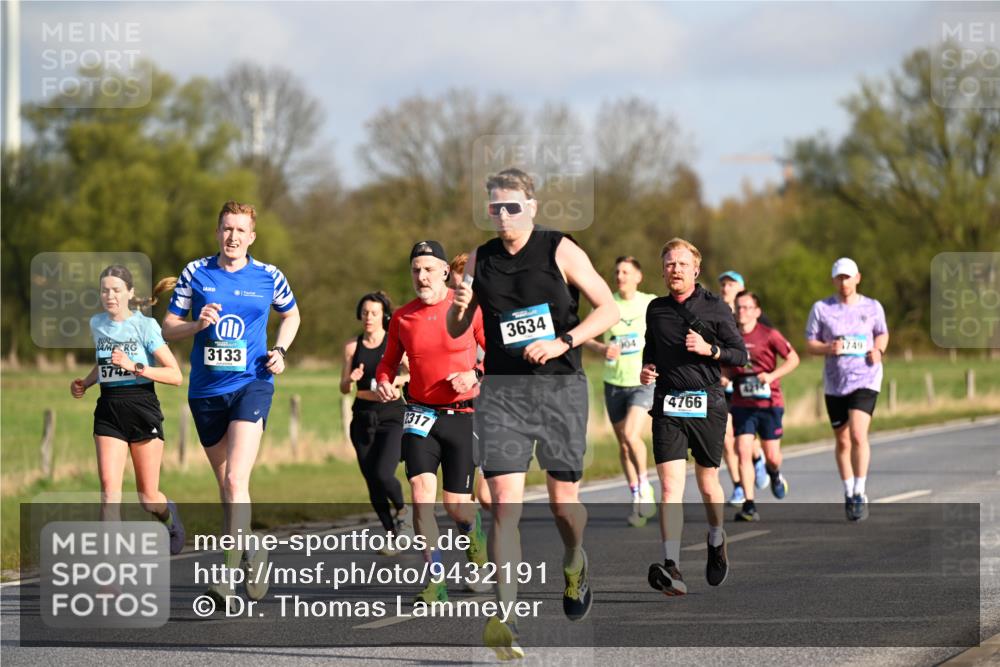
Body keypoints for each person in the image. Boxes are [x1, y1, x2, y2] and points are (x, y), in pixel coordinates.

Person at [448, 168, 618, 659]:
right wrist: (461, 304)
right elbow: (461, 329)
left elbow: (608, 309)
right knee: (503, 505)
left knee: (564, 505)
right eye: (496, 208)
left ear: (532, 206)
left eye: (512, 207)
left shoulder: (559, 249)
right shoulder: (480, 259)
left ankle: (573, 559)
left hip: (560, 390)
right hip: (503, 394)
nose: (503, 216)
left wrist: (563, 340)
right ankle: (505, 617)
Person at [162, 200, 301, 611]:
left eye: (240, 230)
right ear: (218, 231)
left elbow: (292, 316)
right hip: (206, 392)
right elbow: (168, 328)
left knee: (237, 481)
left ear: (252, 237)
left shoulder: (269, 276)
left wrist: (279, 349)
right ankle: (251, 548)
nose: (233, 236)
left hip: (252, 384)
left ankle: (225, 581)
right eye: (227, 228)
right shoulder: (195, 272)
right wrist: (197, 324)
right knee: (226, 487)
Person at [376, 240, 490, 604]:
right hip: (420, 414)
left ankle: (473, 537)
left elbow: (498, 358)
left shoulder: (469, 309)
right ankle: (434, 577)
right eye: (415, 270)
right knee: (422, 496)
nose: (421, 276)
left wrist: (474, 375)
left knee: (457, 505)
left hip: (462, 416)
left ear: (444, 271)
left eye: (428, 269)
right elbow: (388, 362)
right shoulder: (402, 318)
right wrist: (381, 381)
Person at [640, 238, 747, 597]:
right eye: (669, 264)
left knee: (706, 485)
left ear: (695, 269)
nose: (675, 270)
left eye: (682, 264)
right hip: (668, 405)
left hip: (707, 404)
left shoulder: (715, 307)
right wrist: (647, 369)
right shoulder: (655, 309)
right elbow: (650, 350)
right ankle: (671, 564)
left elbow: (739, 354)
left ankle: (716, 537)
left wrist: (709, 349)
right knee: (670, 487)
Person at [71, 265, 185, 553]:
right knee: (110, 493)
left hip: (141, 406)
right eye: (105, 290)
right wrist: (86, 382)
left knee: (148, 498)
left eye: (116, 290)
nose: (110, 295)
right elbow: (105, 362)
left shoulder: (145, 326)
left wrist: (135, 366)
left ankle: (169, 517)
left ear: (130, 293)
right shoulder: (97, 323)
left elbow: (175, 375)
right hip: (108, 409)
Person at [805, 257, 888, 522]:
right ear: (834, 280)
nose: (844, 282)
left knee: (857, 434)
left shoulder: (872, 306)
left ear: (857, 278)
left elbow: (882, 333)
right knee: (842, 440)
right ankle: (848, 489)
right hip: (835, 382)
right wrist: (828, 348)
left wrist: (879, 350)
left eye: (848, 277)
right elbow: (810, 343)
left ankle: (860, 492)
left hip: (866, 378)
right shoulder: (821, 308)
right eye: (840, 277)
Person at [582, 256, 657, 527]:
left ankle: (646, 485)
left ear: (638, 276)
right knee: (624, 447)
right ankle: (637, 495)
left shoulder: (649, 302)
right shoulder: (606, 303)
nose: (620, 275)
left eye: (626, 271)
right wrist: (602, 349)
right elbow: (585, 335)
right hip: (614, 382)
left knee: (630, 435)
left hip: (642, 380)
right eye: (617, 271)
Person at [340, 291, 412, 551]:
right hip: (362, 415)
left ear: (384, 316)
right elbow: (343, 387)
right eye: (365, 312)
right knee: (371, 479)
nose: (369, 317)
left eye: (374, 313)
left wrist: (396, 380)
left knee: (383, 472)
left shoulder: (395, 343)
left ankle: (404, 511)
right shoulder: (352, 347)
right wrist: (351, 377)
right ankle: (392, 533)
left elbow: (412, 372)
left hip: (391, 414)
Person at [727, 291, 799, 522]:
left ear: (757, 312)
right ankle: (749, 504)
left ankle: (774, 474)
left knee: (772, 456)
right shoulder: (730, 336)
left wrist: (772, 375)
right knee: (743, 450)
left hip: (769, 404)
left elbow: (793, 359)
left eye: (747, 307)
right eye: (739, 307)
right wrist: (724, 376)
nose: (742, 312)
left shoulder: (769, 335)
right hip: (742, 403)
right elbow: (724, 364)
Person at [717, 270, 768, 506]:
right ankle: (738, 486)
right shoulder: (714, 312)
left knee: (743, 437)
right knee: (727, 440)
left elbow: (766, 352)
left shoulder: (755, 317)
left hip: (747, 387)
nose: (725, 287)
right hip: (724, 386)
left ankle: (758, 459)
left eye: (730, 284)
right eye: (723, 284)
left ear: (741, 288)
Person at [448, 252, 492, 513]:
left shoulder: (491, 315)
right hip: (461, 408)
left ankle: (506, 532)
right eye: (452, 287)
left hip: (494, 408)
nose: (455, 293)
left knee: (487, 496)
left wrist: (475, 374)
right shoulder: (450, 317)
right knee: (461, 498)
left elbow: (502, 358)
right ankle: (477, 539)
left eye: (461, 287)